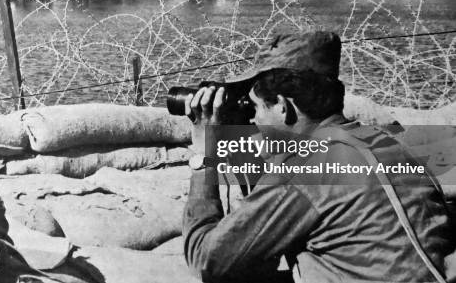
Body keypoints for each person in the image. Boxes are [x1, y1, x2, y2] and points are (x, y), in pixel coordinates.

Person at [182, 31, 455, 282]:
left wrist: (205, 152)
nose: (252, 118)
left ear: (282, 106)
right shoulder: (389, 145)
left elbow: (208, 261)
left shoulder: (303, 171)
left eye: (255, 107)